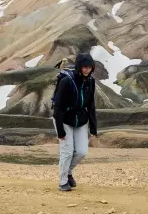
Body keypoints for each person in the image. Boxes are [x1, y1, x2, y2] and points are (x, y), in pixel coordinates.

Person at [52, 53, 97, 191]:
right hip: (64, 119)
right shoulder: (66, 82)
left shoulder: (90, 81)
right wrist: (60, 131)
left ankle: (68, 172)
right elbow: (58, 107)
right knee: (67, 151)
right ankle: (63, 182)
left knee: (82, 151)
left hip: (80, 121)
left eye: (89, 67)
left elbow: (91, 105)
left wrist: (93, 127)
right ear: (79, 67)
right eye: (84, 67)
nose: (87, 70)